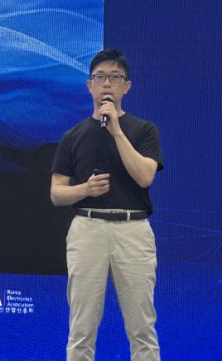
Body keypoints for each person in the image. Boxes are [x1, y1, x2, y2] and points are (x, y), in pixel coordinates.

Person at [50, 48, 163, 361]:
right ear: (89, 86)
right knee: (81, 327)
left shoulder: (144, 130)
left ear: (127, 87)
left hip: (133, 230)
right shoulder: (73, 136)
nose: (107, 84)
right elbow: (57, 193)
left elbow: (145, 177)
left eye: (115, 77)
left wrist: (116, 131)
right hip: (87, 229)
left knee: (142, 327)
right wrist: (84, 189)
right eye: (100, 77)